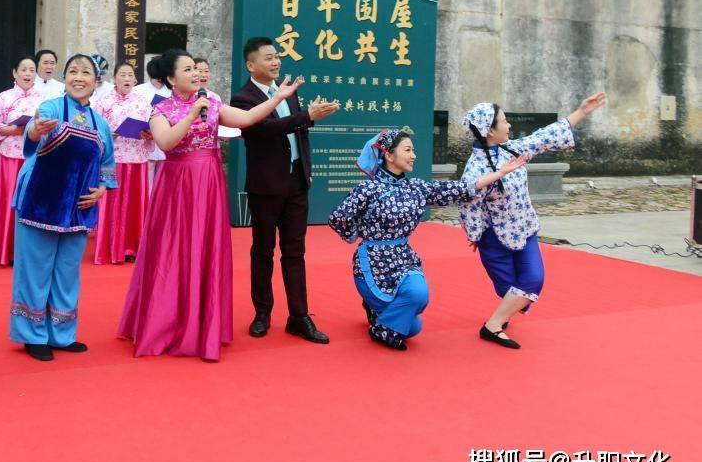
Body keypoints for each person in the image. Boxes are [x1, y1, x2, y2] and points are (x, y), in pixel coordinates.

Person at [118, 49, 300, 361]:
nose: (196, 73)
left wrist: (276, 99)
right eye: (188, 69)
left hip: (209, 183)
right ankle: (167, 323)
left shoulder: (212, 102)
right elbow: (166, 142)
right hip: (177, 186)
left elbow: (245, 119)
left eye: (197, 68)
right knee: (173, 250)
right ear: (173, 79)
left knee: (205, 249)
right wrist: (190, 115)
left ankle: (201, 323)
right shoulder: (160, 109)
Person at [328, 127, 527, 351]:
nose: (414, 155)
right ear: (389, 155)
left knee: (416, 312)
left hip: (403, 257)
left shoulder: (417, 188)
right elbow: (338, 218)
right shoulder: (367, 189)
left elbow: (459, 188)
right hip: (372, 262)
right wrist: (362, 234)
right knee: (408, 325)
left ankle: (379, 321)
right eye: (407, 150)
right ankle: (378, 319)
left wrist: (499, 173)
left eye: (413, 150)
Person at [459, 92, 607, 349]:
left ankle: (492, 326)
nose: (509, 125)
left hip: (525, 229)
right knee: (509, 290)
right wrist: (474, 235)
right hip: (495, 238)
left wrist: (582, 111)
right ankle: (502, 317)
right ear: (489, 131)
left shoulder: (512, 148)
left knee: (532, 280)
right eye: (504, 121)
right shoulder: (476, 169)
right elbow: (468, 205)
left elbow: (545, 136)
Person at [230, 37, 339, 344]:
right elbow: (264, 130)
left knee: (295, 252)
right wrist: (305, 116)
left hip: (296, 183)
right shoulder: (243, 98)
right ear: (252, 65)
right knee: (262, 251)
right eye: (268, 58)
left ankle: (299, 316)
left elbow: (298, 131)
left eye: (277, 56)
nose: (276, 62)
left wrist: (306, 167)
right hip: (266, 186)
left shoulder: (288, 91)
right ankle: (262, 313)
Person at [10, 53, 117, 361]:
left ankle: (62, 333)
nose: (78, 77)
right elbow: (33, 130)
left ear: (96, 82)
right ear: (65, 77)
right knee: (36, 269)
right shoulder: (52, 107)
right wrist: (35, 130)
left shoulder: (102, 124)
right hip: (41, 200)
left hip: (78, 207)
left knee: (68, 271)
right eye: (73, 71)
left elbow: (107, 164)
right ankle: (32, 334)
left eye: (86, 72)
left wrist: (100, 190)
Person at [92, 61, 152, 264]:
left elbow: (151, 127)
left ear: (135, 80)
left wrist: (148, 134)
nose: (127, 78)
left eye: (130, 75)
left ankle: (134, 248)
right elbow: (95, 131)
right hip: (112, 159)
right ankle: (111, 249)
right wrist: (111, 134)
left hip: (137, 158)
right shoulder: (103, 101)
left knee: (136, 204)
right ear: (114, 78)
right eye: (123, 75)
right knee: (112, 204)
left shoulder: (143, 102)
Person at [0, 55, 42, 266]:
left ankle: (30, 252)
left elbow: (49, 125)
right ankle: (4, 250)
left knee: (32, 201)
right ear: (14, 73)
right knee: (8, 200)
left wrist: (34, 128)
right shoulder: (4, 97)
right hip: (10, 155)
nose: (28, 73)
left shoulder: (43, 99)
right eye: (24, 69)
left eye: (31, 69)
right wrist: (17, 129)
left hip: (34, 157)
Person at [132, 56, 169, 188]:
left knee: (164, 185)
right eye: (156, 78)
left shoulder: (172, 91)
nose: (159, 81)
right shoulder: (137, 91)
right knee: (146, 185)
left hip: (166, 143)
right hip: (145, 142)